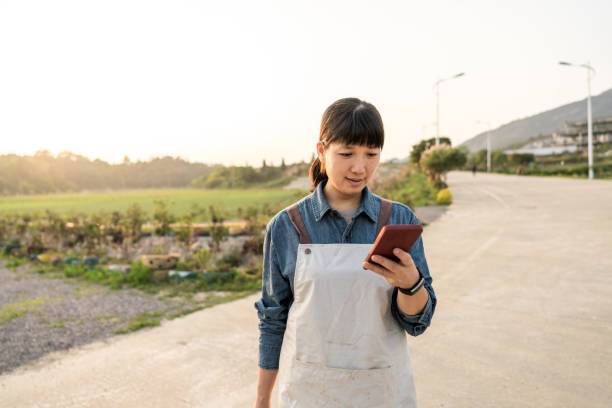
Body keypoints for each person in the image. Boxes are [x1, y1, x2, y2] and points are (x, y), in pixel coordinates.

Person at [253, 97, 437, 407]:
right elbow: (273, 318)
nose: (359, 167)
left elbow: (418, 321)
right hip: (309, 390)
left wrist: (411, 283)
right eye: (347, 153)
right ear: (321, 150)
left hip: (381, 390)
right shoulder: (286, 226)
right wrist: (261, 400)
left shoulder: (399, 220)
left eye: (371, 154)